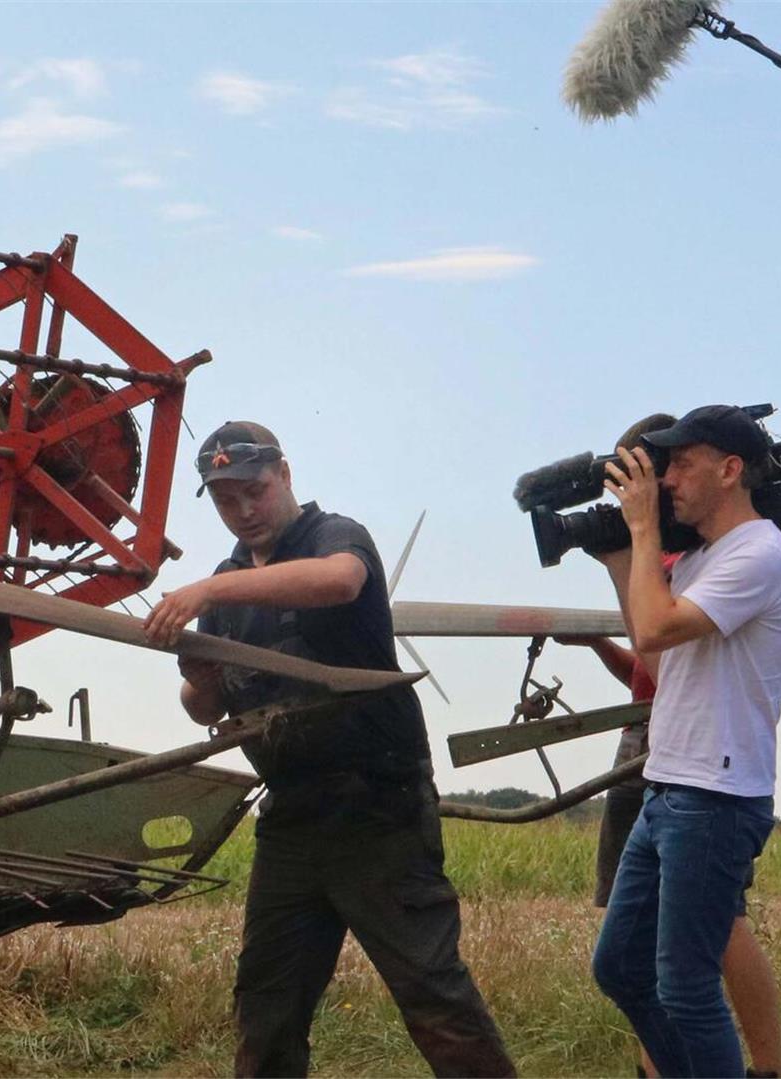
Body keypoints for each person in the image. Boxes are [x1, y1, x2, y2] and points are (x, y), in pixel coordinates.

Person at [142, 420, 514, 1079]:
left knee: (432, 993)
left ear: (284, 475)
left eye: (254, 491)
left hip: (378, 807)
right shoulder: (226, 589)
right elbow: (206, 705)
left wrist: (207, 589)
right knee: (268, 1007)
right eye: (227, 501)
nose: (245, 511)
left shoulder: (333, 537)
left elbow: (339, 582)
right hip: (292, 818)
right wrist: (198, 681)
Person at [563, 413, 781, 1078]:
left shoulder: (763, 554)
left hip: (716, 797)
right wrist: (621, 554)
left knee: (687, 985)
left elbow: (657, 624)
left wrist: (640, 529)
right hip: (671, 785)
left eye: (681, 465)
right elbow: (665, 665)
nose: (667, 480)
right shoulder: (702, 558)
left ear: (730, 470)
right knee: (619, 967)